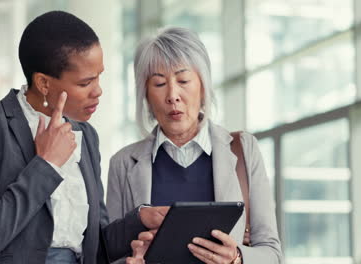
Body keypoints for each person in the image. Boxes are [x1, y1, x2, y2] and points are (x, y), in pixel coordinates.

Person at [0, 11, 165, 264]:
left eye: (99, 76)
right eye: (85, 83)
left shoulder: (86, 135)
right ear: (43, 83)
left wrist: (140, 219)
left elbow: (97, 246)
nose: (98, 91)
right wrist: (46, 165)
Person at [106, 27, 283, 264]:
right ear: (145, 96)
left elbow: (271, 253)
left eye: (183, 80)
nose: (172, 95)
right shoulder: (123, 163)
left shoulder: (243, 150)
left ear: (203, 86)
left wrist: (237, 258)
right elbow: (108, 253)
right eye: (159, 84)